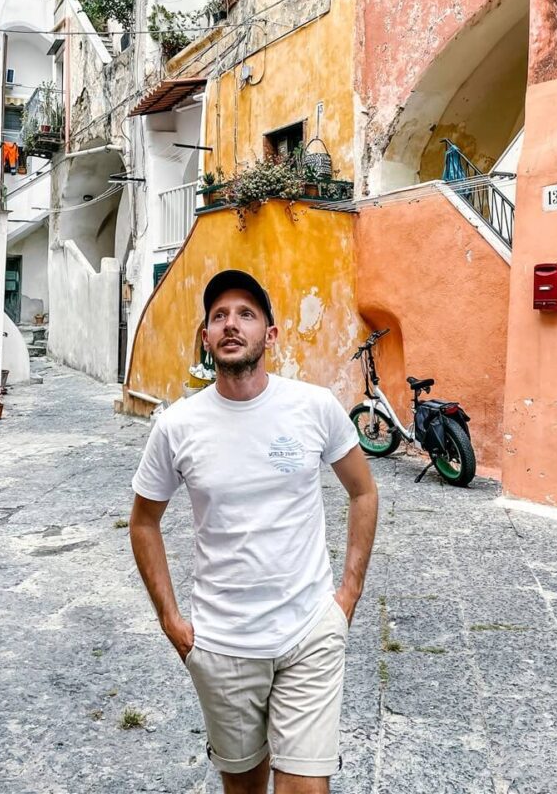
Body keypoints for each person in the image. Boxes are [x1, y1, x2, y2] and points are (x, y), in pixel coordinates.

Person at [130, 269, 379, 794]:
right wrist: (171, 620)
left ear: (271, 334)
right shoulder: (177, 426)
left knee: (305, 789)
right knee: (243, 786)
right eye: (219, 315)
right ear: (205, 337)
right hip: (222, 644)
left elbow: (363, 492)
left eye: (246, 314)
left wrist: (347, 596)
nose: (231, 324)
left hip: (309, 632)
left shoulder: (314, 407)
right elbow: (144, 521)